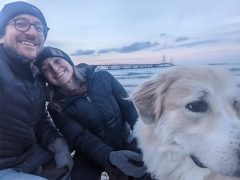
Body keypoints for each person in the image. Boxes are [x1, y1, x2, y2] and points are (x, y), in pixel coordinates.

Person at [35, 46, 154, 180]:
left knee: (150, 171)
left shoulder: (103, 77)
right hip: (90, 153)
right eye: (46, 68)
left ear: (68, 61)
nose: (54, 69)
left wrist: (141, 133)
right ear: (44, 77)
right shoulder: (55, 106)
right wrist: (109, 156)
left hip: (125, 140)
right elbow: (81, 138)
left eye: (57, 61)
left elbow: (129, 108)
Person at [0, 2, 73, 180]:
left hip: (30, 158)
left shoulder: (36, 77)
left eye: (39, 28)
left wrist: (58, 143)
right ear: (1, 36)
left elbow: (39, 117)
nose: (32, 32)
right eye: (21, 23)